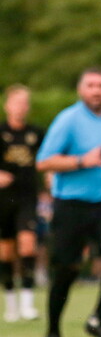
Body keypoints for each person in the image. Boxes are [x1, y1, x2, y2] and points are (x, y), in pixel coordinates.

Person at [35, 68, 101, 337]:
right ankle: (53, 331)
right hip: (71, 204)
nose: (96, 90)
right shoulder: (68, 120)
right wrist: (81, 162)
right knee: (67, 269)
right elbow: (43, 162)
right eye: (90, 85)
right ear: (81, 90)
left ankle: (97, 320)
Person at [0, 84, 45, 322]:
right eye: (17, 102)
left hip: (27, 197)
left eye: (25, 103)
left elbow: (49, 159)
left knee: (28, 245)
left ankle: (28, 302)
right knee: (6, 252)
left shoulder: (36, 134)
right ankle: (11, 304)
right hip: (3, 200)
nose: (21, 107)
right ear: (7, 105)